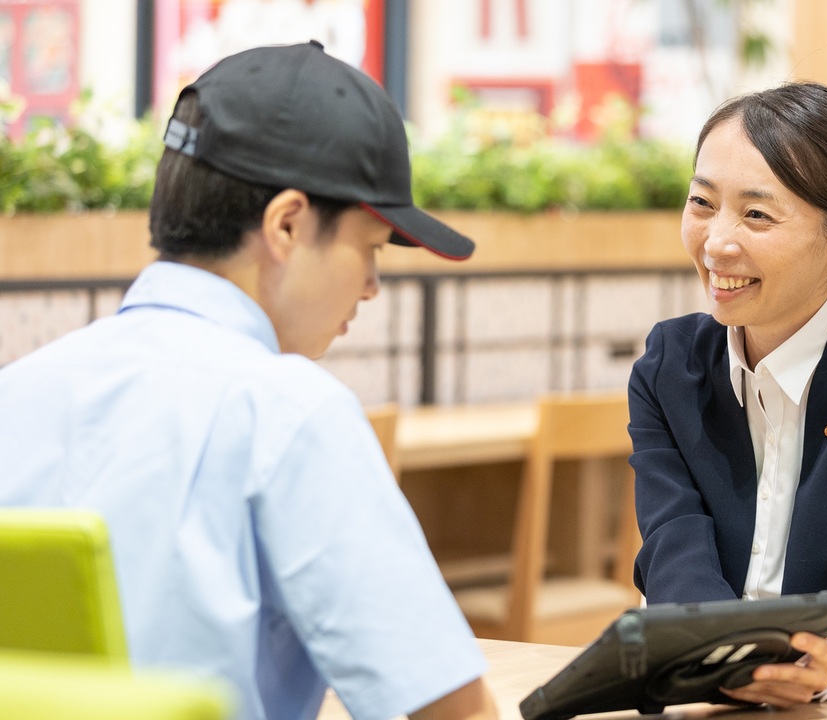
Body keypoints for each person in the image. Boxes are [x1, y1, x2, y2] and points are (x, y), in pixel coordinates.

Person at [0, 42, 496, 720]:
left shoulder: (18, 393)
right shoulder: (289, 413)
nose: (374, 287)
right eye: (372, 249)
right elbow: (449, 712)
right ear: (287, 224)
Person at [628, 81, 827, 705]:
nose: (717, 242)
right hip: (707, 695)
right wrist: (729, 661)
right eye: (702, 203)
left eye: (757, 214)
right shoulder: (669, 366)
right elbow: (674, 550)